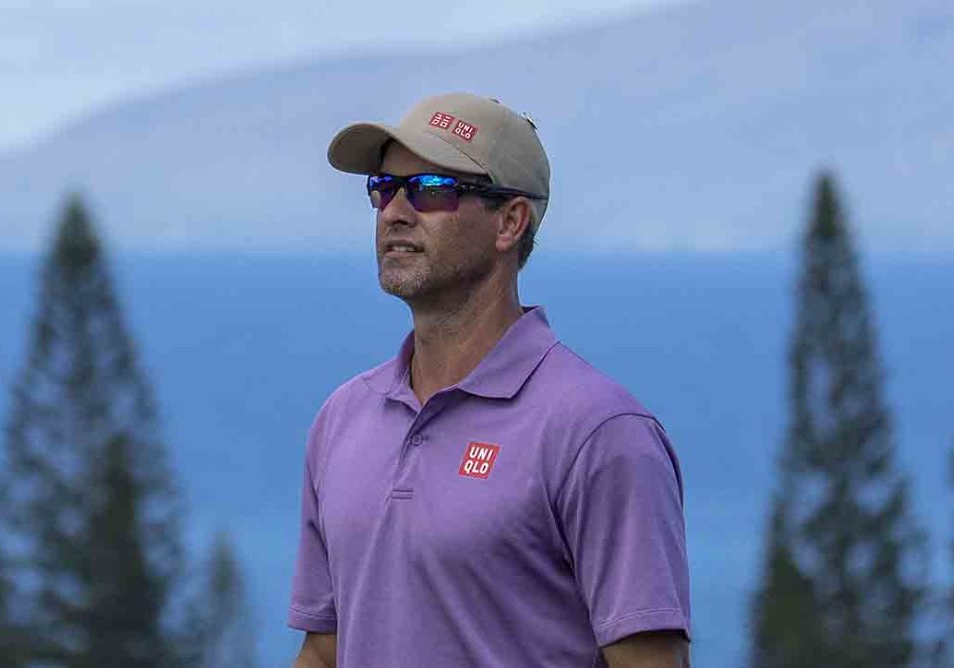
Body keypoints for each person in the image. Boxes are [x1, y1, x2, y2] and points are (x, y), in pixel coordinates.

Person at [288, 92, 692, 668]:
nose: (394, 212)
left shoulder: (598, 433)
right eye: (383, 188)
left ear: (510, 221)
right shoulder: (343, 418)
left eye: (430, 189)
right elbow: (325, 650)